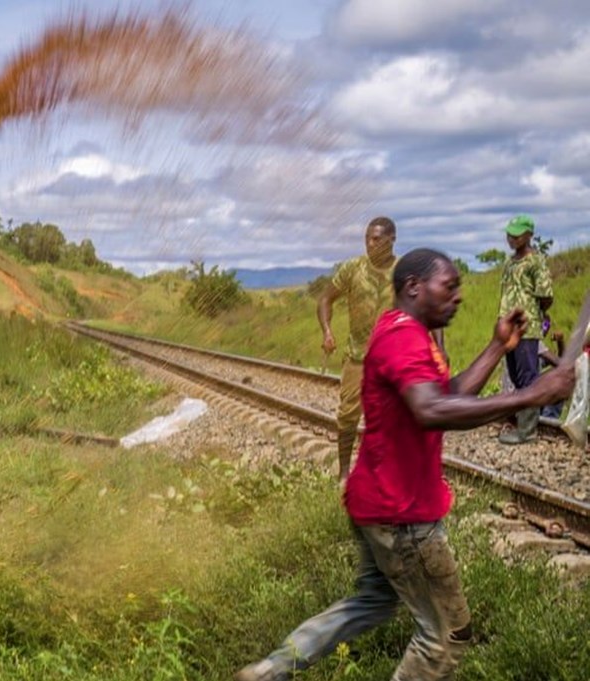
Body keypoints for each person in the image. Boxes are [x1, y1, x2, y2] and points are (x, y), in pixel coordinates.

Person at [236, 249, 574, 681]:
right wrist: (532, 395)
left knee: (373, 600)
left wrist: (496, 347)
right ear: (414, 287)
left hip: (378, 500)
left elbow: (445, 394)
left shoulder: (407, 332)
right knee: (446, 636)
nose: (458, 296)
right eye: (448, 286)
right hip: (403, 515)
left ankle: (269, 671)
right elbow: (430, 411)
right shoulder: (403, 338)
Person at [317, 216, 397, 481]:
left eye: (376, 239)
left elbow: (427, 307)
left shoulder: (403, 271)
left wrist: (437, 346)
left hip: (391, 358)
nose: (369, 244)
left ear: (391, 240)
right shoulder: (353, 268)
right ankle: (343, 473)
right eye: (366, 239)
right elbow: (326, 298)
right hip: (357, 356)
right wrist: (327, 330)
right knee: (348, 414)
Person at [497, 214, 554, 444]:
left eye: (517, 234)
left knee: (528, 377)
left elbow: (545, 295)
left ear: (529, 235)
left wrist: (534, 315)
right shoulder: (509, 263)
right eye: (510, 234)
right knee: (515, 376)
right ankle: (521, 423)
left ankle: (528, 431)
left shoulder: (535, 261)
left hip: (526, 329)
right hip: (508, 328)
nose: (512, 238)